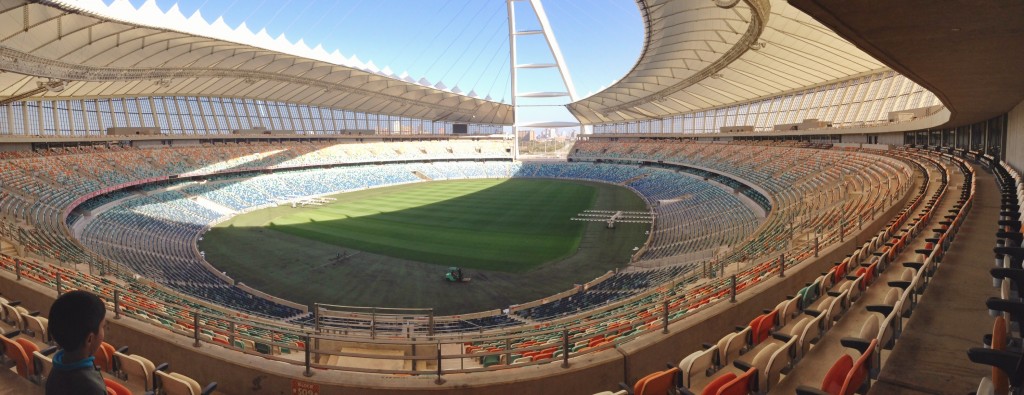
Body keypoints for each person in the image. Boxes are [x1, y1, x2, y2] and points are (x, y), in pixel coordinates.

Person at [45, 290, 107, 395]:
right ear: (89, 339)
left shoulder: (56, 370)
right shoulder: (92, 389)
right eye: (103, 327)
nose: (104, 331)